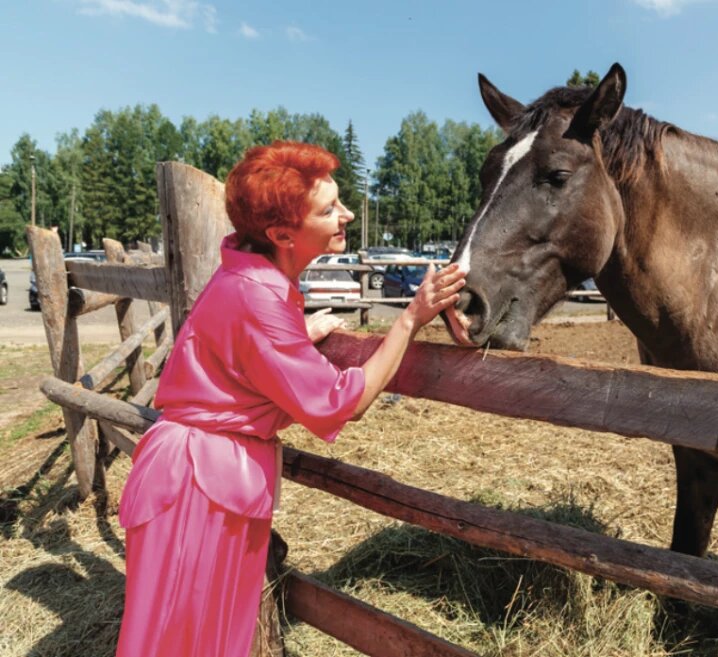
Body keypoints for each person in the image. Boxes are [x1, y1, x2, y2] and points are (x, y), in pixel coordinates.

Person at [115, 141, 466, 657]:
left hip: (196, 475)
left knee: (185, 635)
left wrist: (298, 332)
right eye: (328, 210)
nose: (346, 215)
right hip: (200, 485)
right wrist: (410, 319)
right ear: (282, 234)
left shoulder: (247, 276)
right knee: (184, 642)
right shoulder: (260, 299)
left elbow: (240, 345)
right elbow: (341, 401)